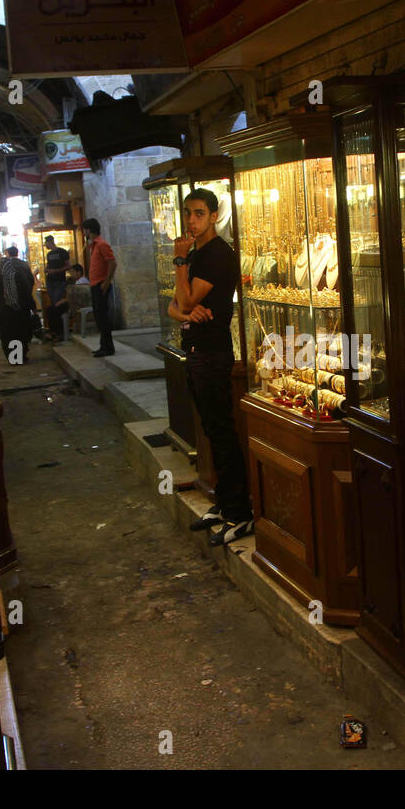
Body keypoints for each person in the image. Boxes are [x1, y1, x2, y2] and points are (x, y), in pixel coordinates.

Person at [169, 189, 254, 546]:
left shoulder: (216, 254)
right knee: (210, 430)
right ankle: (225, 501)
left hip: (213, 353)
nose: (191, 220)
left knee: (221, 432)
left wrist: (178, 262)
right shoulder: (197, 254)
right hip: (195, 350)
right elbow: (174, 308)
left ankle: (240, 512)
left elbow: (184, 298)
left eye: (199, 213)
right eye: (188, 213)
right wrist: (187, 311)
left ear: (214, 216)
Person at [84, 218, 117, 357]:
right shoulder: (94, 246)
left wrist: (106, 281)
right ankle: (104, 345)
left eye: (85, 230)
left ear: (88, 230)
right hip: (95, 284)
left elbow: (112, 263)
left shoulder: (101, 244)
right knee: (99, 316)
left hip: (100, 284)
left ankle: (108, 347)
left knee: (102, 316)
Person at [0, 245, 35, 364]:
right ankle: (21, 356)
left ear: (8, 253)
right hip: (23, 304)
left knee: (10, 333)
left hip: (8, 305)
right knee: (21, 331)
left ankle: (14, 358)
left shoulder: (4, 266)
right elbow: (30, 282)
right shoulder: (23, 265)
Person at [43, 235, 70, 342]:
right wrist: (47, 269)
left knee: (56, 306)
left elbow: (68, 266)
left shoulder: (62, 252)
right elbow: (49, 265)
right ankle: (55, 331)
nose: (45, 245)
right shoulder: (49, 254)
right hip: (50, 281)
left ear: (51, 242)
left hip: (59, 281)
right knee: (53, 304)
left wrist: (57, 271)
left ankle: (58, 332)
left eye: (46, 243)